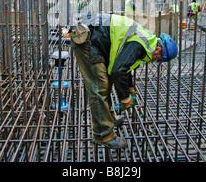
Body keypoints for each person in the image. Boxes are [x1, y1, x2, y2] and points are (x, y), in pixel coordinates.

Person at [71, 13, 178, 149]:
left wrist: (130, 88)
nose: (154, 61)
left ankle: (107, 119)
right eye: (157, 58)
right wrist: (125, 97)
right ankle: (103, 135)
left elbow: (126, 66)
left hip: (98, 37)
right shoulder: (141, 44)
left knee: (107, 81)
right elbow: (119, 70)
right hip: (87, 38)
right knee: (99, 87)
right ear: (157, 49)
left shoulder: (147, 42)